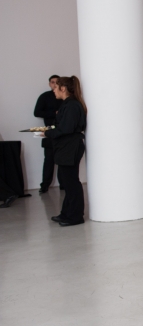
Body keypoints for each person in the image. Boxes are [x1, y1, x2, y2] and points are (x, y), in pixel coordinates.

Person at [44, 76, 87, 226]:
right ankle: (66, 214)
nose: (53, 90)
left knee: (71, 182)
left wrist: (47, 133)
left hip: (70, 146)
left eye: (56, 87)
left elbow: (66, 129)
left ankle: (75, 217)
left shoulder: (72, 105)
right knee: (67, 181)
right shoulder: (69, 104)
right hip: (67, 146)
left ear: (63, 88)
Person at [34, 74, 63, 194]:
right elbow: (36, 112)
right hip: (49, 131)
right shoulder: (45, 97)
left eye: (57, 82)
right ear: (49, 83)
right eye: (52, 82)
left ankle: (63, 184)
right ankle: (45, 185)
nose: (55, 84)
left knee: (62, 160)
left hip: (62, 131)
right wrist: (54, 113)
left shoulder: (64, 97)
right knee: (49, 160)